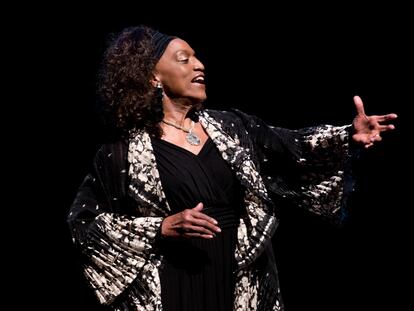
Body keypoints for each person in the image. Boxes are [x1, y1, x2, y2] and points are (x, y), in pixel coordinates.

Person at [67, 25, 397, 311]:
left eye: (197, 57)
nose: (200, 65)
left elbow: (289, 148)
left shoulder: (231, 128)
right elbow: (83, 225)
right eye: (184, 59)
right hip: (174, 285)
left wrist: (348, 137)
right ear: (153, 76)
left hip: (239, 277)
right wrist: (159, 228)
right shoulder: (120, 153)